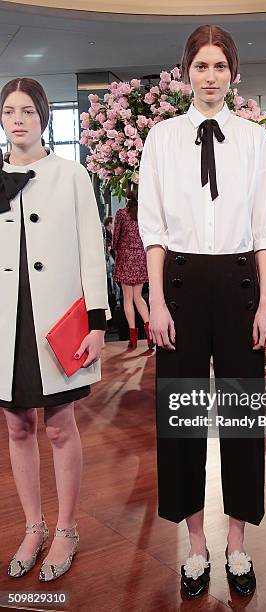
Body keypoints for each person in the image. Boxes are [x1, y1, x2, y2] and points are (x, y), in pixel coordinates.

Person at [138, 25, 266, 598]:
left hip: (243, 280)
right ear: (185, 72)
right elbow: (152, 228)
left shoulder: (255, 139)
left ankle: (237, 544)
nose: (211, 76)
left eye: (220, 66)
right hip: (179, 281)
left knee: (244, 420)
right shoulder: (161, 137)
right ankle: (195, 545)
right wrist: (156, 301)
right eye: (201, 65)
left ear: (234, 74)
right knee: (183, 418)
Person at [0, 78, 108, 581]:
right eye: (8, 111)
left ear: (43, 116)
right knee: (17, 426)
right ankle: (33, 525)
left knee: (60, 425)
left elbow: (92, 250)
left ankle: (66, 528)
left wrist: (97, 324)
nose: (17, 118)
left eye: (26, 110)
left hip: (57, 323)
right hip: (6, 322)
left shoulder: (71, 175)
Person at [113, 187, 153, 349]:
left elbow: (116, 237)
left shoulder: (122, 214)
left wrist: (116, 248)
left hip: (125, 258)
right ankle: (149, 333)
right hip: (140, 258)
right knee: (139, 297)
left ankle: (133, 337)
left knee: (127, 298)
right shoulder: (144, 214)